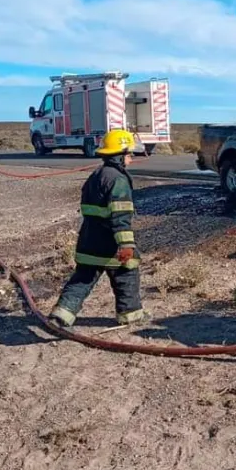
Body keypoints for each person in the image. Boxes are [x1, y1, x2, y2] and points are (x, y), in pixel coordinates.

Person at [48, 129, 146, 328]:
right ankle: (130, 316)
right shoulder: (118, 179)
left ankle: (61, 315)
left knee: (82, 279)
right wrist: (126, 245)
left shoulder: (96, 175)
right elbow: (120, 216)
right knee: (127, 275)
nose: (131, 159)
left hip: (88, 241)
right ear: (119, 156)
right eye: (129, 155)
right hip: (109, 244)